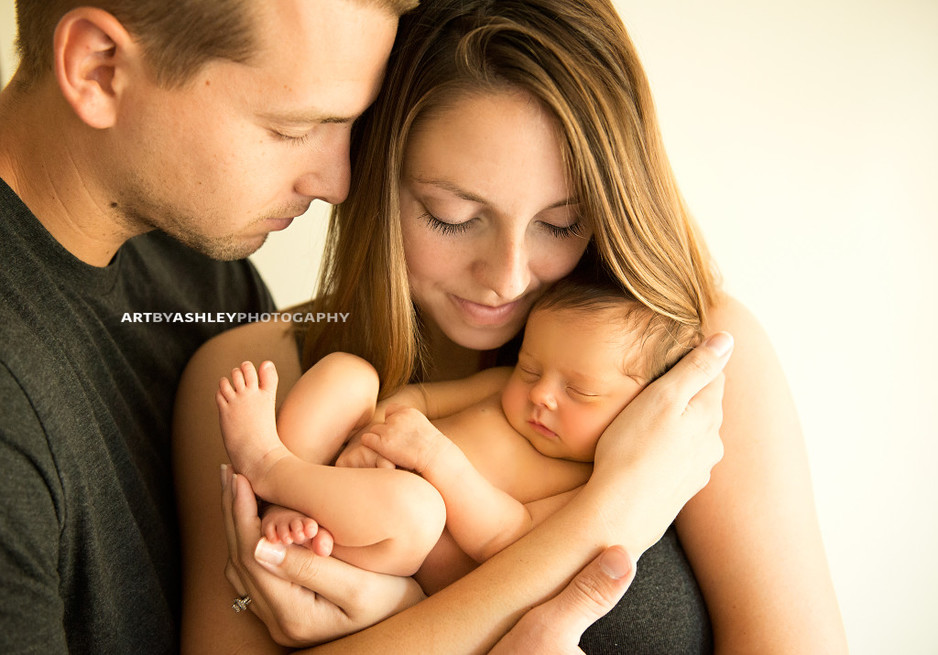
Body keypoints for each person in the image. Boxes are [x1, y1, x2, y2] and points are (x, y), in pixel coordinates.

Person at [174, 0, 846, 653]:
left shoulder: (691, 358)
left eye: (561, 222)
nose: (508, 275)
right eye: (452, 215)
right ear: (374, 175)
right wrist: (612, 514)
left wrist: (407, 617)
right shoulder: (256, 378)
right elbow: (238, 605)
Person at [0, 1, 416, 653]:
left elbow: (237, 594)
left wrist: (382, 605)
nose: (337, 182)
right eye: (291, 128)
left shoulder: (194, 262)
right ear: (98, 67)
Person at [216, 274, 700, 593]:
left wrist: (434, 459)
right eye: (530, 370)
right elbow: (422, 400)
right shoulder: (501, 389)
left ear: (643, 410)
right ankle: (284, 504)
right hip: (352, 469)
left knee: (418, 508)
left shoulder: (585, 483)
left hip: (389, 546)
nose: (541, 395)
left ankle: (268, 465)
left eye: (580, 390)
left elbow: (504, 538)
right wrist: (376, 432)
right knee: (351, 374)